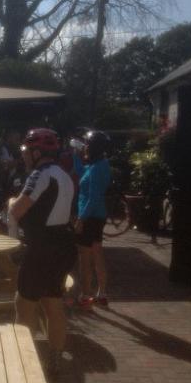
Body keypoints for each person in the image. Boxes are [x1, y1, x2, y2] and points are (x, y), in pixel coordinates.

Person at [8, 128, 76, 376]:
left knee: (24, 304)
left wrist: (10, 202)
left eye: (26, 150)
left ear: (37, 152)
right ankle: (55, 359)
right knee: (52, 303)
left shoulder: (41, 174)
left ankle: (22, 362)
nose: (24, 155)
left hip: (42, 248)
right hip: (63, 245)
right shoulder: (65, 175)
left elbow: (17, 210)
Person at [73, 130, 111, 309]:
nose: (85, 146)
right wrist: (76, 156)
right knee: (97, 254)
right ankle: (102, 293)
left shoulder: (96, 168)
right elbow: (82, 173)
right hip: (98, 216)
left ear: (94, 147)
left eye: (87, 144)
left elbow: (93, 197)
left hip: (89, 217)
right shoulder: (100, 165)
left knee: (85, 258)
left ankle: (85, 295)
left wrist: (81, 219)